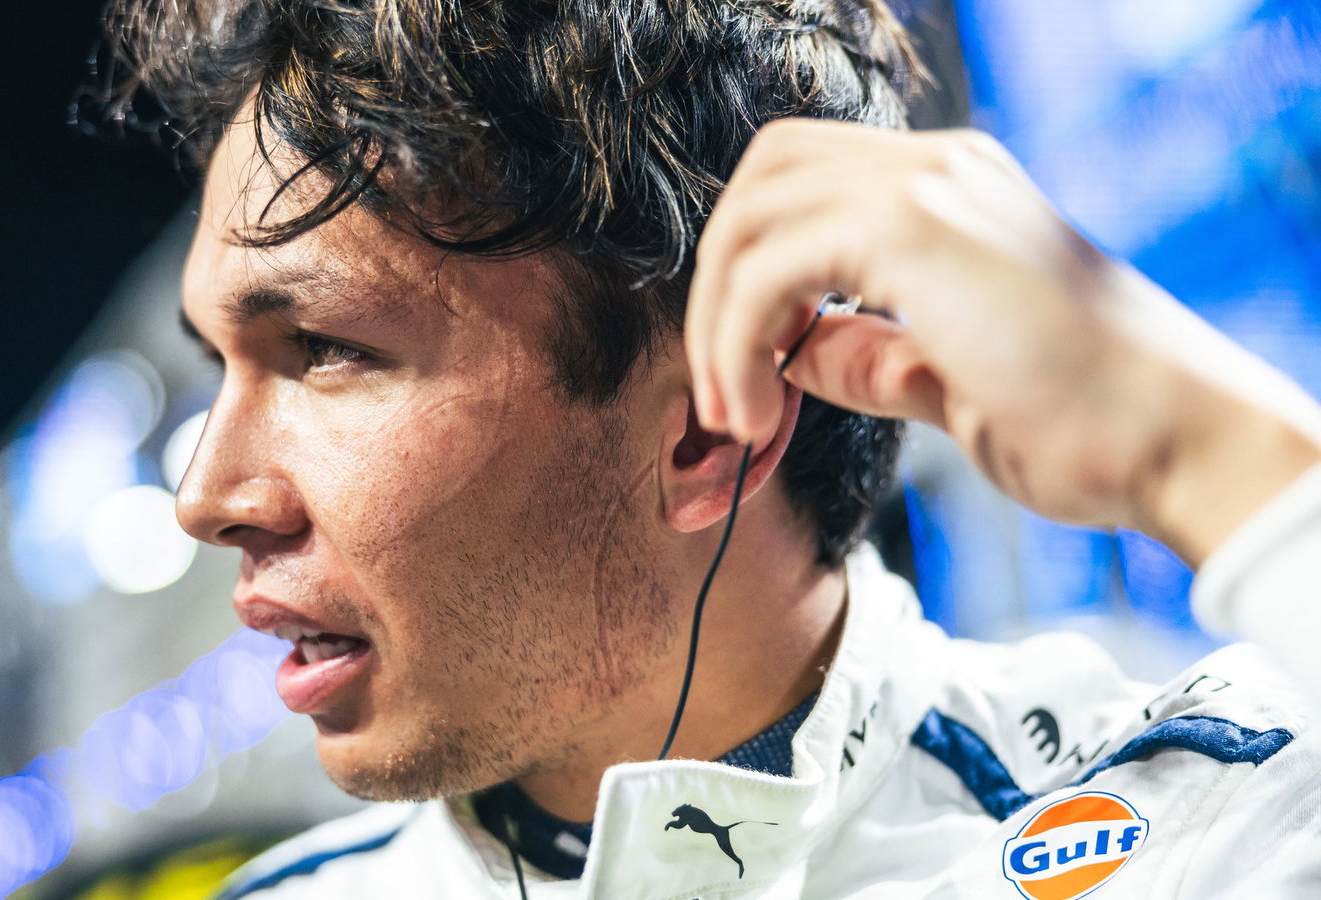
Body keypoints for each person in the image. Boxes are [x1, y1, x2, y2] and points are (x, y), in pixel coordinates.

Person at [103, 0, 1321, 896]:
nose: (207, 497)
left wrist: (1201, 452)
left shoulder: (1199, 834)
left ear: (704, 429)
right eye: (221, 366)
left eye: (322, 348)